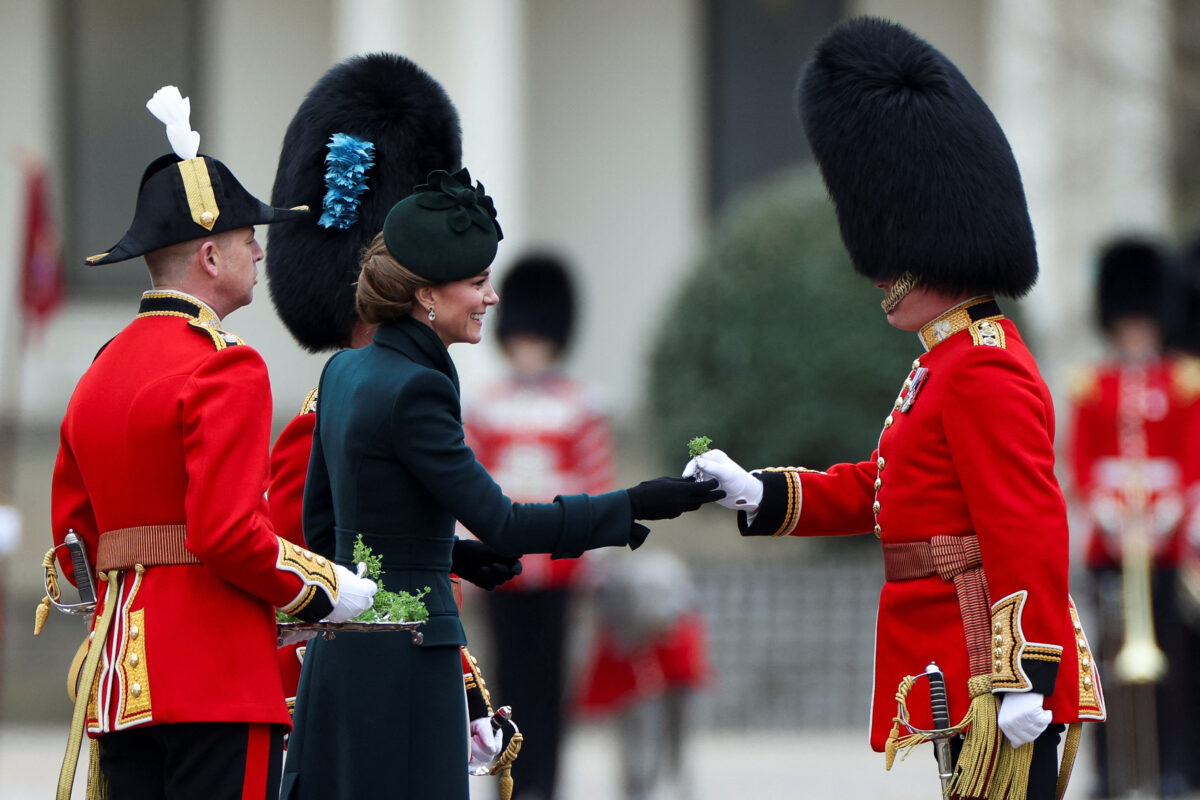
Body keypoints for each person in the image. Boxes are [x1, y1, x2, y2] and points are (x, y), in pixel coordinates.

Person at [684, 18, 1104, 800]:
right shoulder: (946, 363)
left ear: (940, 245)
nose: (879, 276)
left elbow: (1028, 528)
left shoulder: (980, 368)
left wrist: (1028, 673)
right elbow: (885, 489)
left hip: (993, 659)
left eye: (893, 258)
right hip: (956, 654)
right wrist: (762, 492)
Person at [281, 167, 723, 799]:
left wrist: (448, 553)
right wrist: (633, 503)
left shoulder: (344, 371)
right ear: (427, 295)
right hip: (409, 656)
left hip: (341, 657)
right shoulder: (420, 386)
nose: (491, 299)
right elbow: (507, 523)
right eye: (477, 282)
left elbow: (328, 531)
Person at [48, 87, 376, 800]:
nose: (259, 250)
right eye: (244, 239)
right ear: (208, 256)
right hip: (217, 679)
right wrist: (322, 591)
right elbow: (227, 532)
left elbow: (75, 539)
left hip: (120, 684)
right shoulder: (226, 362)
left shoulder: (101, 368)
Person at [265, 54, 522, 760]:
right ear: (417, 290)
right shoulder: (328, 419)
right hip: (353, 711)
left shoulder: (399, 390)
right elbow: (309, 577)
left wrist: (461, 692)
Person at [462, 253, 610, 800]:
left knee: (549, 685)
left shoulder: (581, 405)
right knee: (504, 682)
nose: (528, 350)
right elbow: (470, 488)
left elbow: (597, 487)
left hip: (560, 569)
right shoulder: (484, 405)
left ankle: (545, 785)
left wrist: (596, 561)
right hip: (504, 568)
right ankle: (513, 785)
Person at [1066, 237, 1199, 797]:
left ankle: (1174, 765)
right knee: (1107, 663)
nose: (1135, 332)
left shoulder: (1184, 383)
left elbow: (1192, 458)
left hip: (1166, 547)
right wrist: (1113, 514)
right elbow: (1082, 463)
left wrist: (1171, 512)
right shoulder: (1093, 386)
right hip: (1115, 545)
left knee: (1176, 663)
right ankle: (1112, 768)